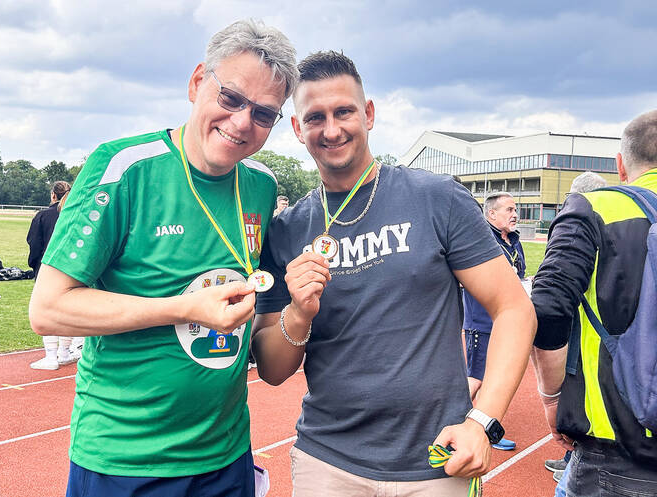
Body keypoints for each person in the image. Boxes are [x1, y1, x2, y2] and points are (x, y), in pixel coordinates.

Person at [28, 19, 297, 497]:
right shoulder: (123, 168)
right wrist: (183, 308)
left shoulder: (261, 184)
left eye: (263, 114)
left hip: (228, 455)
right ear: (197, 83)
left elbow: (263, 332)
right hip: (125, 458)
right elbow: (48, 309)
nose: (241, 123)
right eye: (231, 98)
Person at [251, 51, 536, 495]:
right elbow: (270, 369)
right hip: (328, 462)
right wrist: (298, 315)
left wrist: (482, 422)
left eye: (344, 111)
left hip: (436, 459)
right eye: (315, 117)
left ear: (368, 114)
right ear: (296, 128)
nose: (331, 129)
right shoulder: (287, 230)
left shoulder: (436, 198)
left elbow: (515, 309)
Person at [531, 109, 657, 496]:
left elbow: (549, 306)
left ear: (620, 165)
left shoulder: (597, 207)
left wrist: (553, 399)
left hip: (620, 446)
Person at [542, 170, 606, 488]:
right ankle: (571, 460)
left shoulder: (581, 224)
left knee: (581, 397)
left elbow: (549, 304)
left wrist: (549, 398)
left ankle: (574, 460)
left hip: (587, 337)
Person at [462, 191, 526, 451]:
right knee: (476, 377)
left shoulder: (514, 241)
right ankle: (453, 423)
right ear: (491, 214)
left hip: (504, 322)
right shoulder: (479, 239)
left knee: (495, 377)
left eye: (515, 209)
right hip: (482, 321)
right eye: (508, 210)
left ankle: (485, 428)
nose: (514, 214)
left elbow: (518, 273)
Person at [26, 181, 79, 370]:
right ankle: (64, 352)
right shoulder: (75, 214)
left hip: (48, 269)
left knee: (47, 311)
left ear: (53, 195)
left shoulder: (43, 216)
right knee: (67, 312)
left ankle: (51, 356)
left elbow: (34, 243)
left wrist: (34, 265)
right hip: (72, 268)